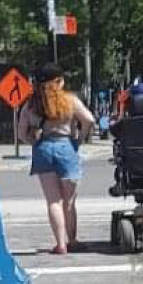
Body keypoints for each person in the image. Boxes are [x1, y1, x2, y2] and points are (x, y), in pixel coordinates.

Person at [14, 62, 96, 254]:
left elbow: (21, 132)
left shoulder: (31, 104)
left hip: (43, 149)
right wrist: (80, 138)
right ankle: (72, 240)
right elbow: (89, 120)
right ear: (58, 81)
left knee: (53, 201)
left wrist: (33, 142)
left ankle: (60, 244)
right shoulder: (70, 100)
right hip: (66, 146)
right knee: (69, 201)